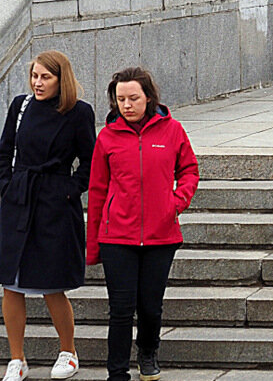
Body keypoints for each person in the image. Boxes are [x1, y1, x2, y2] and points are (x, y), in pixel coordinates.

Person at [87, 67, 199, 381]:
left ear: (148, 98)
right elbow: (97, 191)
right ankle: (117, 371)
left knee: (150, 306)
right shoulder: (107, 137)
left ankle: (148, 353)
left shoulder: (172, 130)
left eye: (133, 98)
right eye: (120, 99)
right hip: (117, 237)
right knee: (121, 309)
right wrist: (93, 245)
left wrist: (176, 203)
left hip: (161, 236)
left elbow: (189, 170)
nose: (127, 104)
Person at [0, 52, 95, 381]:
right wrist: (6, 187)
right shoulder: (20, 106)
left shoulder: (78, 112)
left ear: (61, 79)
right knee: (10, 283)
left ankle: (68, 352)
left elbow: (90, 161)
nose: (37, 83)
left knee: (52, 283)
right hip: (19, 198)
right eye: (34, 76)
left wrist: (68, 190)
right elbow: (4, 149)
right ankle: (16, 358)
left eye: (45, 77)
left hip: (54, 203)